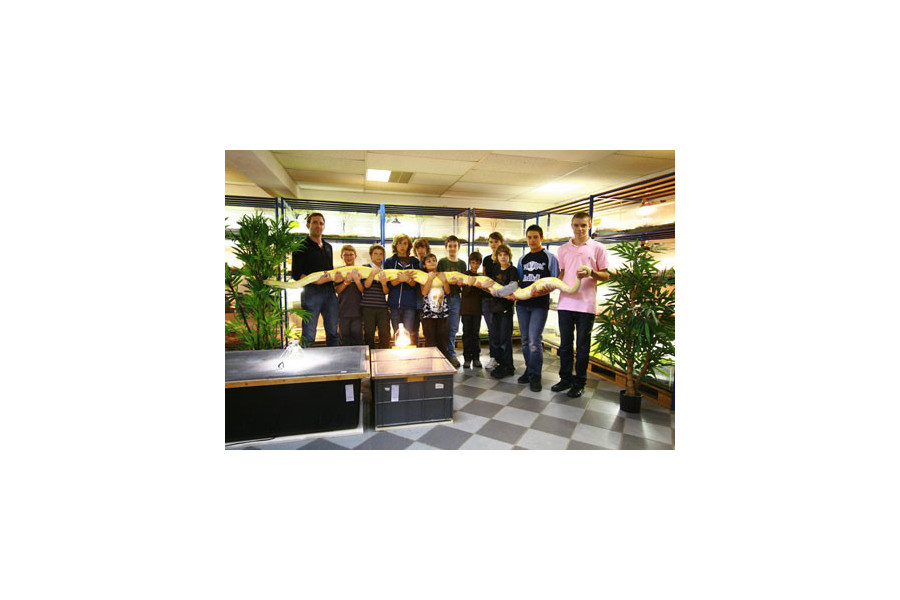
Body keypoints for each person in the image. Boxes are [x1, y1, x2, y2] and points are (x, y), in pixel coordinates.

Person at [551, 212, 610, 398]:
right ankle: (565, 379)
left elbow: (606, 275)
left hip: (586, 306)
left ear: (590, 225)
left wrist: (592, 273)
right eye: (576, 225)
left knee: (583, 346)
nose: (580, 229)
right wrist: (551, 284)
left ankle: (580, 382)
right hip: (565, 303)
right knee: (565, 345)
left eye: (583, 225)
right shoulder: (563, 249)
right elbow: (562, 273)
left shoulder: (598, 248)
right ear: (572, 226)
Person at [515, 225, 559, 392]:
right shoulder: (522, 259)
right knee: (525, 340)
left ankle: (536, 375)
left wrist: (542, 292)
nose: (532, 240)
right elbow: (520, 281)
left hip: (539, 305)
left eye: (535, 237)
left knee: (534, 341)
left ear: (541, 238)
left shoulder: (550, 257)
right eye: (529, 237)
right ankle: (529, 370)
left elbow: (554, 281)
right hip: (522, 305)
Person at [291, 212, 339, 347]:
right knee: (309, 334)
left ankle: (333, 357)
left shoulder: (328, 247)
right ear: (308, 225)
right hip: (311, 293)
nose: (318, 226)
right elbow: (297, 274)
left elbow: (329, 270)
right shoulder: (300, 247)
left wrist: (336, 278)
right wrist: (316, 281)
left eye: (321, 223)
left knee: (333, 333)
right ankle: (305, 359)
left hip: (330, 293)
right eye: (315, 222)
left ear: (324, 226)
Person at [478, 243, 519, 379]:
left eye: (505, 255)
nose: (502, 257)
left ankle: (508, 367)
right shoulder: (495, 269)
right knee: (496, 337)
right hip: (494, 308)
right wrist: (485, 287)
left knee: (505, 338)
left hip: (505, 309)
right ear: (497, 257)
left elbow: (513, 286)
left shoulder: (512, 270)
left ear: (509, 256)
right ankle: (501, 364)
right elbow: (489, 284)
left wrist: (497, 292)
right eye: (500, 255)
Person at [384, 233, 420, 346]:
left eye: (405, 243)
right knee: (397, 334)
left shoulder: (415, 262)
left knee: (408, 334)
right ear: (395, 245)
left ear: (408, 245)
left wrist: (408, 280)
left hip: (410, 305)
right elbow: (388, 285)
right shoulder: (389, 262)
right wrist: (401, 279)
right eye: (399, 243)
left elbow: (416, 285)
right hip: (394, 304)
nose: (402, 246)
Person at [437, 235, 466, 368]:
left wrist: (461, 283)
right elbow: (438, 279)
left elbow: (464, 282)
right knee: (442, 326)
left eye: (455, 246)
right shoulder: (442, 262)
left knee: (453, 327)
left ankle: (451, 353)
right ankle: (442, 353)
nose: (452, 248)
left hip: (455, 298)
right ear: (446, 247)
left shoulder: (462, 264)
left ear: (458, 247)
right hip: (442, 297)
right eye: (450, 246)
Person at [419, 253, 453, 362]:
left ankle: (442, 362)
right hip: (428, 314)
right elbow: (424, 292)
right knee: (430, 339)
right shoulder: (422, 276)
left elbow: (448, 291)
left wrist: (444, 281)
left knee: (442, 338)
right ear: (424, 265)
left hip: (442, 313)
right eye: (429, 261)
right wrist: (430, 279)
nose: (432, 262)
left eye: (434, 260)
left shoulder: (442, 275)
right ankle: (430, 362)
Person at [480, 231, 504, 369]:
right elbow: (484, 279)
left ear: (501, 242)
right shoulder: (486, 260)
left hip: (502, 299)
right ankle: (494, 357)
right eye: (491, 242)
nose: (493, 244)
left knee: (502, 329)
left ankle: (503, 358)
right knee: (492, 329)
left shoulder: (505, 259)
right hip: (488, 299)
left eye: (496, 241)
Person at [360, 244, 391, 349]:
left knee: (385, 334)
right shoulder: (365, 268)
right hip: (368, 307)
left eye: (381, 254)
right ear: (371, 255)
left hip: (382, 307)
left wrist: (383, 283)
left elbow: (386, 291)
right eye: (375, 254)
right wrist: (373, 274)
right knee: (369, 334)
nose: (378, 256)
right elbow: (366, 285)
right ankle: (369, 356)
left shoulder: (386, 270)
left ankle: (384, 356)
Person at [334, 245, 364, 346]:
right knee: (344, 341)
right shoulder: (338, 272)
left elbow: (363, 290)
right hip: (343, 312)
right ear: (341, 257)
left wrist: (357, 280)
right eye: (345, 255)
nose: (349, 257)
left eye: (351, 254)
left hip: (358, 312)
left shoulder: (361, 271)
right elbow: (337, 290)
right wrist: (346, 282)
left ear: (355, 256)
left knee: (358, 340)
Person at [460, 251, 485, 368]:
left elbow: (483, 295)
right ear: (470, 263)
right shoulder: (465, 275)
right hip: (466, 310)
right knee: (466, 335)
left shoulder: (481, 277)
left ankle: (476, 358)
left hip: (477, 311)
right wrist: (470, 285)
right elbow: (464, 293)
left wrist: (482, 287)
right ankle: (467, 358)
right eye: (473, 263)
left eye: (477, 263)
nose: (475, 265)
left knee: (475, 334)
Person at [412, 238, 430, 343]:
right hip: (413, 303)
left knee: (428, 331)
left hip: (427, 303)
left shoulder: (430, 263)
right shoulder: (413, 263)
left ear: (426, 248)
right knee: (413, 331)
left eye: (422, 247)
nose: (420, 250)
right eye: (418, 248)